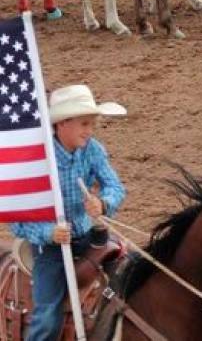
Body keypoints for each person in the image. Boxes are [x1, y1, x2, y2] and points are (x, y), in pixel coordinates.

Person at [10, 84, 127, 341]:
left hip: (87, 236)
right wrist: (48, 232)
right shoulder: (38, 158)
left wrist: (104, 203)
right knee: (48, 316)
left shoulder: (92, 149)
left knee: (130, 271)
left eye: (92, 124)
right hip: (49, 248)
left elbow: (115, 186)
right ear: (62, 124)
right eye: (84, 124)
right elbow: (17, 215)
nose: (90, 131)